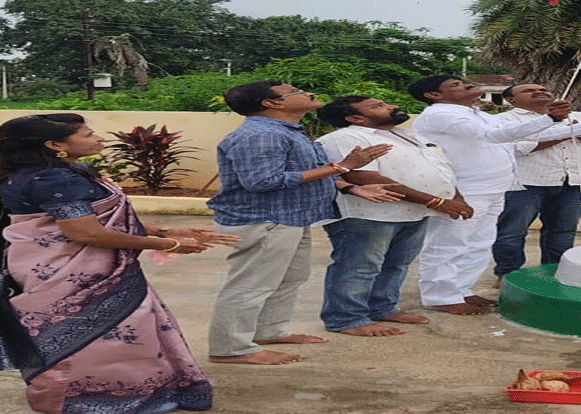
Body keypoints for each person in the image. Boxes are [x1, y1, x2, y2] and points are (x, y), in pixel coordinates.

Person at [0, 113, 240, 414]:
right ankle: (86, 400)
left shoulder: (57, 171)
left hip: (66, 266)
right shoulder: (53, 178)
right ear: (53, 144)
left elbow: (98, 217)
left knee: (120, 333)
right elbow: (83, 231)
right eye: (87, 134)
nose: (98, 138)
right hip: (71, 271)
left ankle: (108, 395)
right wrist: (169, 245)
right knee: (93, 337)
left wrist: (167, 230)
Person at [207, 81, 399, 365]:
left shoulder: (286, 131)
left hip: (292, 218)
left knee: (289, 279)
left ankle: (269, 332)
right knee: (251, 285)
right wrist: (341, 166)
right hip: (265, 220)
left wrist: (348, 186)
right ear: (272, 103)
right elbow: (262, 182)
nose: (307, 93)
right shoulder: (262, 135)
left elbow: (303, 173)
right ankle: (230, 348)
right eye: (294, 91)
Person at [408, 76, 581, 315]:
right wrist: (551, 118)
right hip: (465, 189)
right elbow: (495, 136)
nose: (465, 84)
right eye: (455, 85)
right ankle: (439, 296)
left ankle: (461, 289)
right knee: (450, 243)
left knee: (479, 243)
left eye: (463, 81)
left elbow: (522, 136)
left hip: (494, 187)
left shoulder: (477, 114)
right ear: (434, 95)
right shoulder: (441, 114)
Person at [315, 96, 472, 337]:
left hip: (414, 212)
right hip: (369, 214)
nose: (391, 106)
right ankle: (346, 318)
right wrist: (436, 201)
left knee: (396, 264)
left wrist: (455, 197)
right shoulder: (346, 137)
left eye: (386, 103)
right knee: (359, 266)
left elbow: (440, 168)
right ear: (355, 118)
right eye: (376, 106)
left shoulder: (409, 134)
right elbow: (362, 177)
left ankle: (382, 308)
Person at [491, 83, 581, 282]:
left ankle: (554, 272)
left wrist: (580, 129)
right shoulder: (502, 120)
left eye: (544, 89)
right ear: (511, 100)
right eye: (528, 90)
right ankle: (507, 273)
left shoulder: (580, 116)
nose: (539, 91)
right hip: (524, 184)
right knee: (511, 232)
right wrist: (567, 132)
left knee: (562, 232)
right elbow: (517, 148)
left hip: (573, 182)